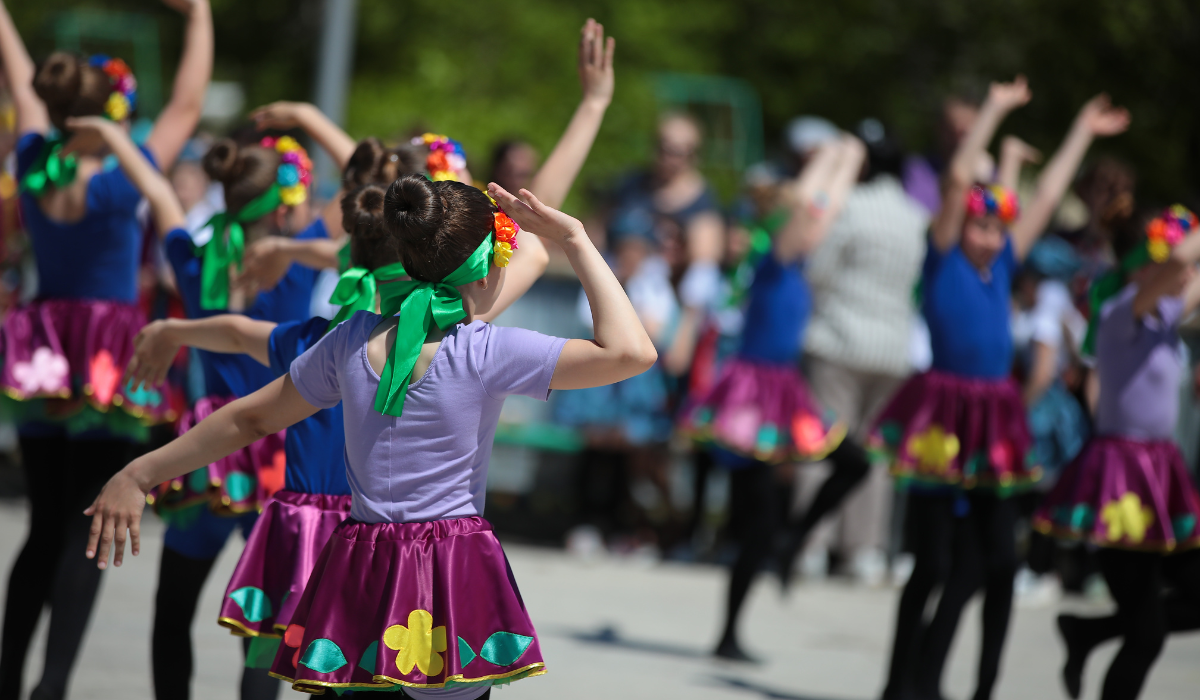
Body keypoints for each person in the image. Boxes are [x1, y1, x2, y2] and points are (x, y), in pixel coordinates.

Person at [82, 168, 658, 697]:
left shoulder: (351, 340)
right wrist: (577, 239)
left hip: (361, 562)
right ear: (487, 269)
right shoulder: (486, 351)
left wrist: (142, 472)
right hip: (447, 568)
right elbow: (632, 352)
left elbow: (249, 418)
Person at [870, 77, 1131, 700]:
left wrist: (1080, 134)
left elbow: (1043, 198)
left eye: (996, 228)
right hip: (942, 414)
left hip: (993, 419)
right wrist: (993, 109)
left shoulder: (1005, 263)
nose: (987, 235)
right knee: (930, 563)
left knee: (996, 563)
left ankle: (978, 686)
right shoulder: (942, 258)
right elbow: (961, 178)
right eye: (977, 226)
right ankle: (901, 685)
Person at [0, 1, 211, 697]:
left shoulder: (34, 161)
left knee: (42, 525)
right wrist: (200, 16)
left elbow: (20, 75)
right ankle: (51, 687)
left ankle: (9, 677)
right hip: (105, 355)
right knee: (87, 526)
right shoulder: (124, 176)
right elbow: (187, 101)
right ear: (111, 112)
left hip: (44, 345)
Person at [682, 133, 872, 661]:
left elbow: (821, 212)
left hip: (784, 390)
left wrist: (846, 162)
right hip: (752, 396)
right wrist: (833, 161)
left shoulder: (796, 259)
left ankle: (794, 539)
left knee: (853, 463)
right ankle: (729, 632)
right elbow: (809, 208)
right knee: (757, 521)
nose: (813, 223)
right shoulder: (772, 253)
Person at [1035, 206, 1200, 700]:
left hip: (1162, 473)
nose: (1188, 275)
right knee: (1145, 635)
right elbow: (1180, 264)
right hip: (1122, 478)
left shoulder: (1167, 315)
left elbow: (1187, 270)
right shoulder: (1118, 316)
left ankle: (1087, 633)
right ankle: (1091, 636)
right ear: (1143, 267)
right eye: (1180, 266)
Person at [795, 118, 928, 584]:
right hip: (894, 347)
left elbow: (818, 270)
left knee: (825, 447)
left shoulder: (848, 207)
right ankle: (863, 552)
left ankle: (812, 545)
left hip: (839, 338)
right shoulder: (917, 216)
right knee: (874, 455)